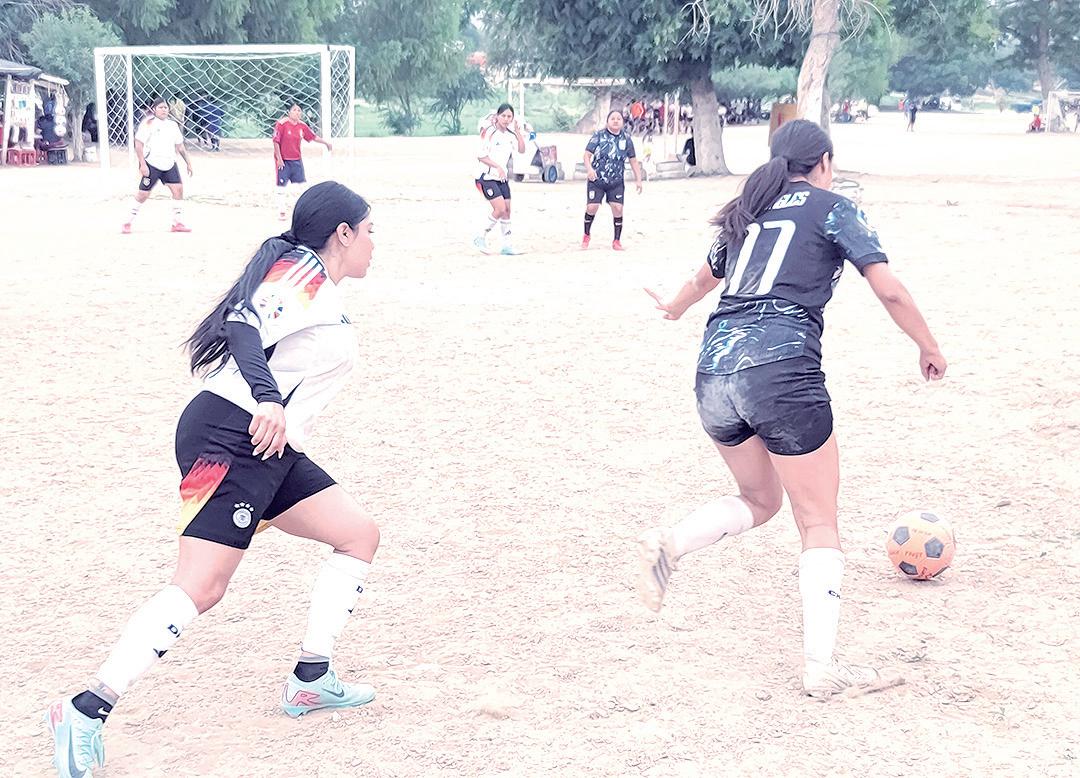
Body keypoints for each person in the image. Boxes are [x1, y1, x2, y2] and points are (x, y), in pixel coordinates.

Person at [46, 182, 382, 777]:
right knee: (201, 586)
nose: (375, 243)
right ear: (343, 233)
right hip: (231, 436)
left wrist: (273, 410)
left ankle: (311, 677)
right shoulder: (302, 274)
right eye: (370, 231)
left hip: (268, 446)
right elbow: (242, 324)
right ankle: (84, 709)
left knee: (358, 535)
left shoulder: (317, 287)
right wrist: (267, 398)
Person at [637, 119, 947, 699]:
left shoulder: (747, 211)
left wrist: (675, 308)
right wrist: (928, 346)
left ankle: (671, 543)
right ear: (823, 162)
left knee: (761, 500)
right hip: (780, 369)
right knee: (818, 520)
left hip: (714, 371)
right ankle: (822, 668)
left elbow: (703, 280)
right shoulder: (834, 207)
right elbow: (889, 288)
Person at [122, 98, 193, 234]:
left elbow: (180, 146)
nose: (163, 110)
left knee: (178, 190)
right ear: (154, 109)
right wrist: (142, 164)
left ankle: (177, 223)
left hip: (169, 163)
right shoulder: (148, 123)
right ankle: (127, 222)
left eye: (165, 107)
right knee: (143, 194)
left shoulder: (173, 125)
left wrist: (188, 163)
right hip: (152, 163)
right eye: (160, 107)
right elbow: (138, 144)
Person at [582, 110, 643, 251]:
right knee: (592, 207)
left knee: (618, 208)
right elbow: (586, 155)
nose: (615, 121)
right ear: (607, 121)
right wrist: (590, 170)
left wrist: (638, 179)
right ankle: (586, 234)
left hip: (616, 181)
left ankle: (616, 241)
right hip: (597, 179)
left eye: (618, 119)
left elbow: (633, 161)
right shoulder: (598, 136)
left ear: (623, 122)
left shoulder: (626, 139)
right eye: (613, 118)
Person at [473, 102, 526, 255]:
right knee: (500, 209)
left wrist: (518, 132)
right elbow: (481, 156)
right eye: (503, 116)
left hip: (501, 179)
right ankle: (480, 236)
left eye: (509, 116)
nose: (506, 119)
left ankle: (506, 246)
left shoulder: (510, 135)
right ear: (497, 116)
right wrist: (497, 167)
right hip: (486, 177)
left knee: (507, 211)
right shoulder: (489, 132)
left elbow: (522, 150)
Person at [273, 103, 333, 221]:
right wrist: (279, 158)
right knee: (281, 187)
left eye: (299, 110)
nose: (297, 112)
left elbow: (312, 137)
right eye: (294, 110)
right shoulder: (282, 124)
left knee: (301, 186)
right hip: (284, 161)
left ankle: (302, 210)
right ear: (289, 112)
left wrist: (326, 143)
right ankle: (282, 211)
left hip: (296, 160)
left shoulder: (302, 126)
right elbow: (276, 141)